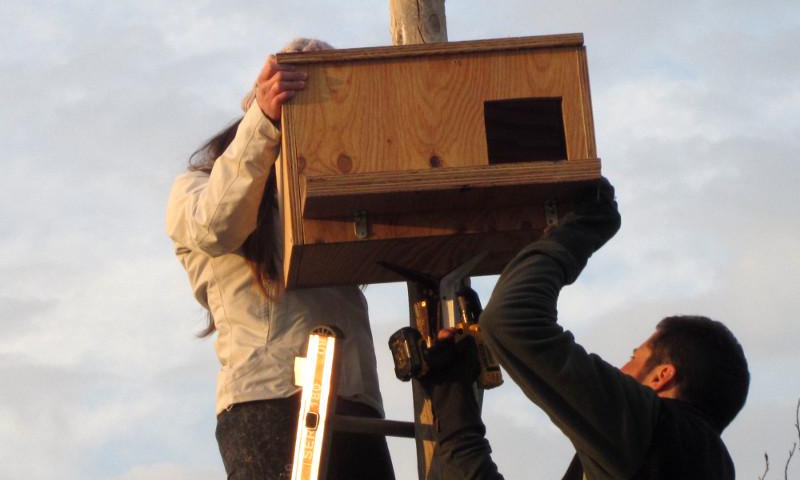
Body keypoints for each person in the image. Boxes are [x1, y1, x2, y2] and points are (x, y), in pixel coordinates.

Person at [165, 38, 395, 480]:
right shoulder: (197, 185)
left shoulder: (334, 187)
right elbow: (218, 226)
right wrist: (266, 124)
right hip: (267, 397)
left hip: (354, 398)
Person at [422, 178, 750, 479]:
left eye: (634, 357)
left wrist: (587, 224)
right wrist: (455, 415)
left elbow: (512, 319)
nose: (622, 368)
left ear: (661, 376)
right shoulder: (685, 459)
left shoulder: (656, 434)